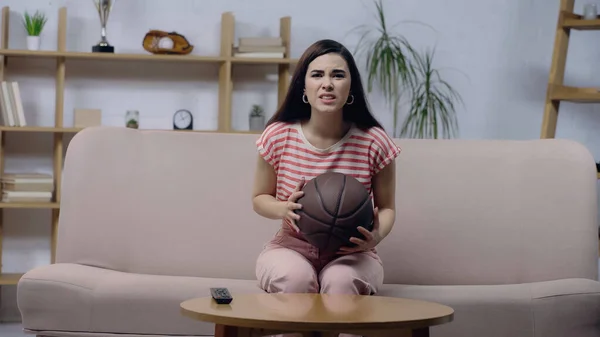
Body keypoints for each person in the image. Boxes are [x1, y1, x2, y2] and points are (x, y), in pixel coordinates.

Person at [252, 39, 401, 298]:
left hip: (354, 252)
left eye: (338, 75)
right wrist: (283, 208)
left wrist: (375, 237)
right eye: (317, 74)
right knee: (295, 279)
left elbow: (387, 208)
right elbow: (258, 198)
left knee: (341, 282)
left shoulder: (374, 141)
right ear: (304, 85)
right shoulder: (277, 136)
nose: (327, 83)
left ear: (350, 85)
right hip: (290, 247)